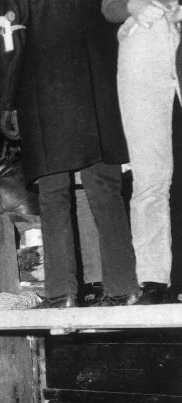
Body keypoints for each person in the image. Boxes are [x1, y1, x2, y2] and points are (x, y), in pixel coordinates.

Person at [0, 0, 139, 307]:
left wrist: (6, 100)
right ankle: (124, 287)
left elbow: (10, 37)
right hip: (99, 90)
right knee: (106, 192)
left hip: (45, 93)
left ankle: (62, 293)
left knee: (53, 197)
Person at [103, 0, 180, 304]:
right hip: (142, 46)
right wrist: (133, 5)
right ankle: (154, 279)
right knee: (149, 173)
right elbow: (108, 8)